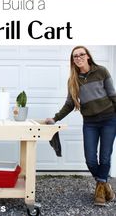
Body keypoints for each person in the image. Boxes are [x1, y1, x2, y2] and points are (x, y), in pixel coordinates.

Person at [45, 46, 116, 206]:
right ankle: (106, 186)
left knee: (105, 157)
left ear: (88, 56)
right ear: (73, 60)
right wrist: (55, 118)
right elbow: (70, 104)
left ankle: (100, 193)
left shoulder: (102, 71)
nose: (78, 58)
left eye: (81, 54)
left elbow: (113, 95)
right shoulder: (73, 80)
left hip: (109, 119)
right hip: (90, 122)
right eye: (75, 56)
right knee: (90, 160)